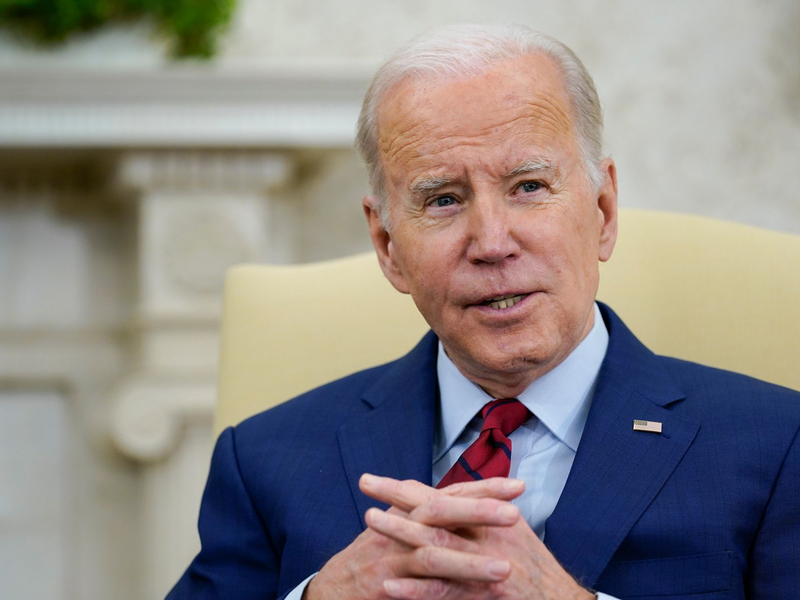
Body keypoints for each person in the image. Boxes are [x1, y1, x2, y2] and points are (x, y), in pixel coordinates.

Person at [167, 24, 800, 600]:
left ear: (602, 212)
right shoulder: (263, 460)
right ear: (388, 247)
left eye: (528, 187)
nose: (492, 242)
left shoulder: (776, 447)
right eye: (443, 199)